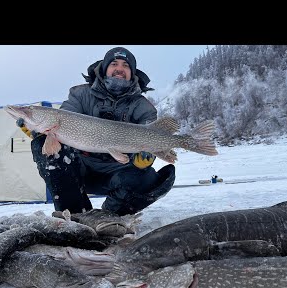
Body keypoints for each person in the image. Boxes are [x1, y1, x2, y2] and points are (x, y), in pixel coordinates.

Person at [18, 46, 176, 216]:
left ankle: (109, 218)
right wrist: (39, 131)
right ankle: (77, 216)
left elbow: (151, 139)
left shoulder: (143, 107)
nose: (119, 69)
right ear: (105, 68)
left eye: (126, 65)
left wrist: (144, 160)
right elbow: (62, 119)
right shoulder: (80, 94)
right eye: (114, 63)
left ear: (132, 73)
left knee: (151, 180)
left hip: (120, 171)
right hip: (81, 169)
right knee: (44, 146)